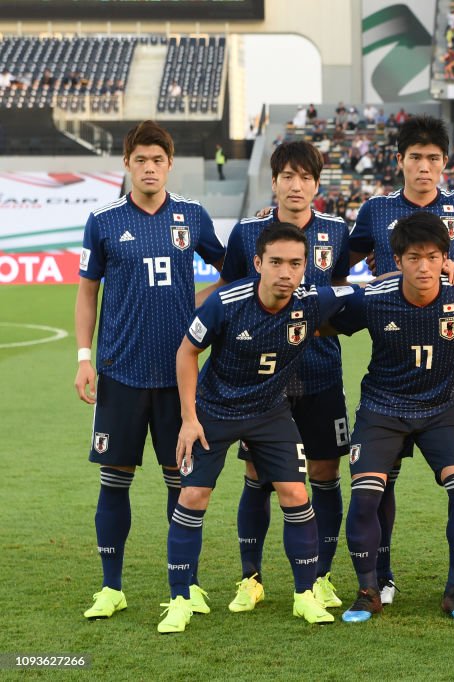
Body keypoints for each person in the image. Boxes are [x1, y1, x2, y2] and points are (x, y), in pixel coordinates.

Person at [161, 222, 354, 633]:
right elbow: (187, 351)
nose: (286, 272)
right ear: (258, 263)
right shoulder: (226, 302)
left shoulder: (312, 302)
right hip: (216, 409)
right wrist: (189, 419)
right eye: (277, 262)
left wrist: (438, 269)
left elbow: (370, 288)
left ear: (306, 267)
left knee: (295, 492)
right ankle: (179, 598)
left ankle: (304, 595)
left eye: (296, 264)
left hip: (269, 411)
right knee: (192, 495)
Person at [75, 120, 224, 620]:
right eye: (140, 160)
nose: (149, 168)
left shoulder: (192, 215)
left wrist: (198, 307)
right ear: (127, 164)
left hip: (178, 377)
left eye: (157, 160)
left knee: (181, 484)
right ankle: (111, 587)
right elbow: (86, 292)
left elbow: (232, 270)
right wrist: (83, 358)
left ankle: (188, 586)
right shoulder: (103, 220)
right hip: (119, 372)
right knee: (114, 480)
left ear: (169, 163)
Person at [196, 141, 351, 613]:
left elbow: (340, 297)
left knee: (324, 473)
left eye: (306, 177)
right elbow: (233, 292)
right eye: (288, 176)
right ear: (275, 181)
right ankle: (251, 577)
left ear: (317, 184)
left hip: (320, 371)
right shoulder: (248, 233)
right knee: (257, 475)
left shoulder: (336, 232)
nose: (296, 185)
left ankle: (319, 577)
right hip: (258, 383)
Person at [329, 213, 454, 623]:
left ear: (446, 258)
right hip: (382, 408)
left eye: (432, 257)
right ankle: (368, 590)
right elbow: (322, 322)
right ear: (397, 260)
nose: (423, 266)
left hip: (442, 409)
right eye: (413, 257)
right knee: (365, 497)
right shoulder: (372, 298)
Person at [348, 115, 454, 603]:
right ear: (401, 161)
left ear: (444, 163)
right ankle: (380, 577)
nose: (424, 168)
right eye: (415, 158)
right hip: (392, 360)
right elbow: (339, 260)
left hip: (450, 366)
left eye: (433, 159)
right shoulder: (377, 208)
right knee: (381, 481)